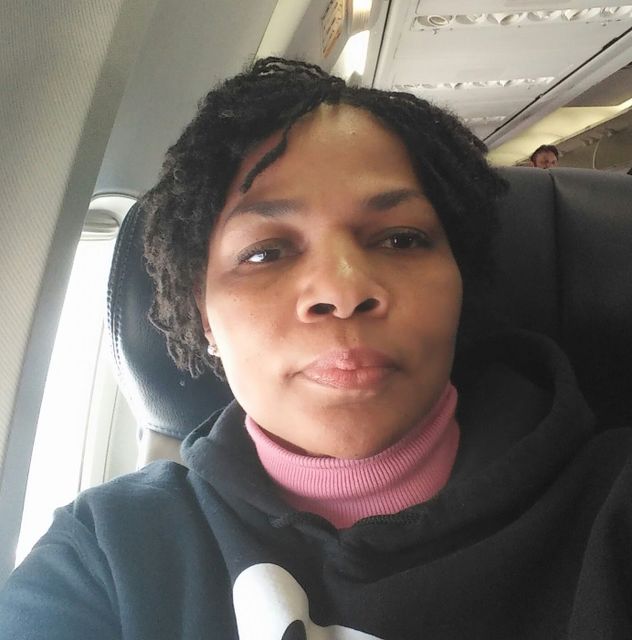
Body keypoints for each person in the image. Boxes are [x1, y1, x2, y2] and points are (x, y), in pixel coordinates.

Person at [1, 57, 631, 639]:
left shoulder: (613, 511)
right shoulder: (106, 556)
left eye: (401, 239)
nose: (343, 291)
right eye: (265, 253)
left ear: (460, 281)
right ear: (204, 319)